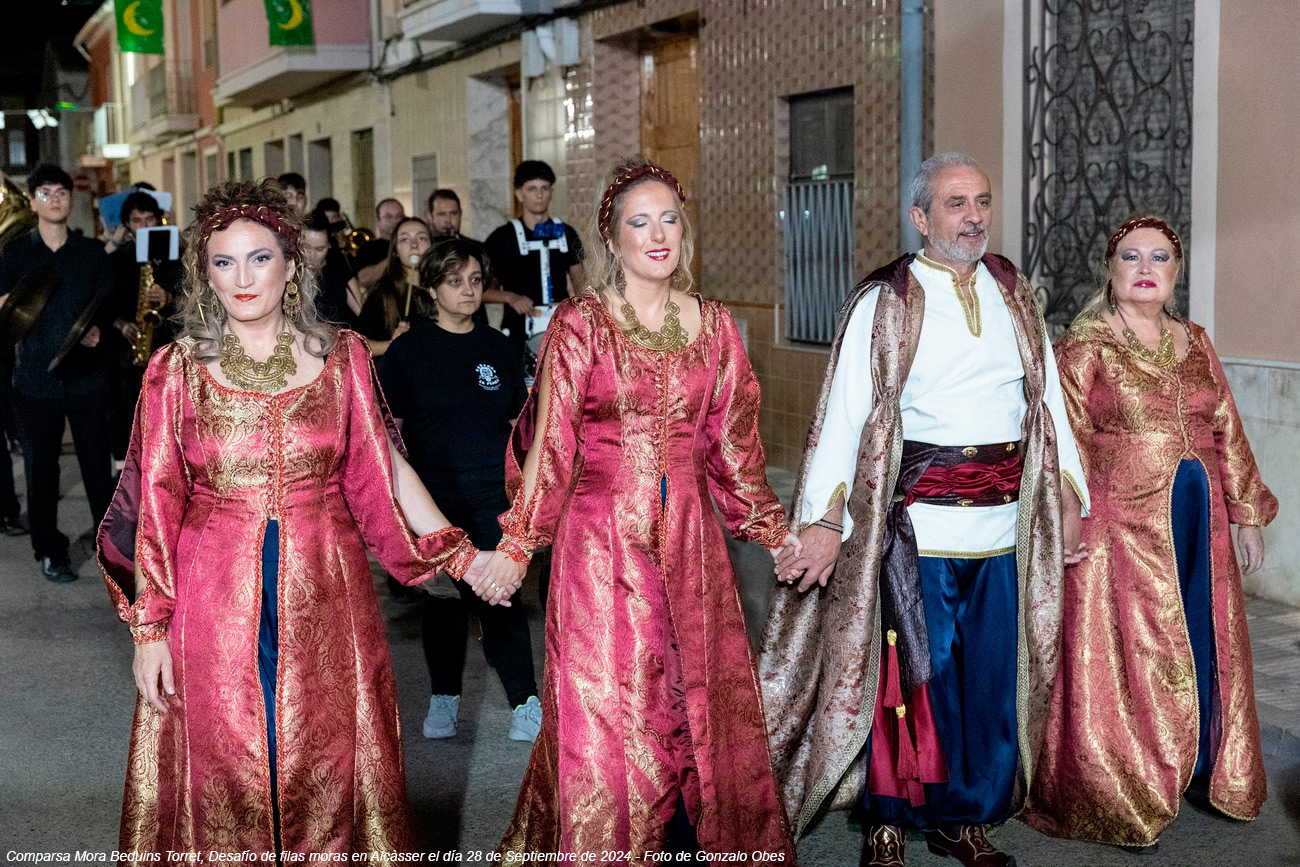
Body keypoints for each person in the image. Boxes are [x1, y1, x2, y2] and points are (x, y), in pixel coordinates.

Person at [94, 179, 498, 854]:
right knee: (227, 763)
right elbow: (157, 502)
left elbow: (383, 471)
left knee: (328, 757)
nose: (242, 278)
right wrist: (149, 628)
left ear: (290, 265)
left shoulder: (342, 357)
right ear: (204, 274)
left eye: (259, 259)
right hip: (212, 598)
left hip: (328, 592)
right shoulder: (176, 370)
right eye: (223, 262)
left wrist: (460, 556)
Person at [761, 152, 1088, 867]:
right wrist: (825, 521)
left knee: (987, 681)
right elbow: (846, 416)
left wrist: (1066, 490)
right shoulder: (887, 300)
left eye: (981, 201)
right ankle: (888, 822)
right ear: (920, 217)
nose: (973, 217)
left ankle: (962, 818)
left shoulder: (1014, 292)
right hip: (917, 530)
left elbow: (1047, 404)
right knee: (912, 679)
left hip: (1003, 530)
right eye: (954, 204)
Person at [480, 158, 800, 859]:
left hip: (691, 539)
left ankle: (688, 841)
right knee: (611, 701)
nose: (658, 235)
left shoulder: (715, 324)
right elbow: (551, 442)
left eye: (669, 220)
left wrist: (773, 532)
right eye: (640, 222)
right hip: (599, 544)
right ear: (612, 238)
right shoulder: (582, 323)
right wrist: (518, 543)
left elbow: (734, 446)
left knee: (692, 692)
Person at [1021, 217, 1278, 849]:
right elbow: (1057, 443)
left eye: (1159, 257)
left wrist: (1245, 513)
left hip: (1200, 525)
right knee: (1133, 652)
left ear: (1175, 272)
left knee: (1202, 636)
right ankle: (1123, 784)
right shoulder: (1084, 346)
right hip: (1120, 534)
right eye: (1131, 256)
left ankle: (1200, 767)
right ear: (1110, 270)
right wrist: (1067, 514)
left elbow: (1226, 427)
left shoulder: (1195, 340)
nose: (1145, 268)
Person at [378, 238, 541, 742]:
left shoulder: (498, 347)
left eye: (475, 281)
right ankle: (444, 698)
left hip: (492, 495)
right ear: (431, 289)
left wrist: (521, 494)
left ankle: (525, 701)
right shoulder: (408, 352)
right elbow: (388, 431)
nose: (468, 291)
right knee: (445, 603)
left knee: (502, 597)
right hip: (436, 500)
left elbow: (517, 423)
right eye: (455, 282)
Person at [0, 164, 116, 583]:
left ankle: (109, 548)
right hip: (35, 381)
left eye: (62, 192)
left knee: (97, 470)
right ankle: (50, 551)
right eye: (45, 193)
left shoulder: (91, 253)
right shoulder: (14, 254)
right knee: (41, 471)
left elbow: (108, 306)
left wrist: (99, 329)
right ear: (32, 203)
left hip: (87, 378)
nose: (55, 199)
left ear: (71, 199)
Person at [107, 190, 181, 466]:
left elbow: (191, 298)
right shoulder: (117, 260)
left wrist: (169, 297)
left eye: (149, 219)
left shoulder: (175, 256)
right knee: (130, 412)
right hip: (130, 350)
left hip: (167, 345)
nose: (144, 226)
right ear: (128, 224)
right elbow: (104, 304)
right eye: (137, 221)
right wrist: (120, 324)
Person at [483, 161, 586, 353]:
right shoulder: (503, 237)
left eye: (544, 188)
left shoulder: (566, 233)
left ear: (552, 192)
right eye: (532, 189)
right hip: (518, 331)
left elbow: (582, 285)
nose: (539, 195)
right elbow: (481, 291)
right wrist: (511, 297)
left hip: (561, 326)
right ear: (519, 194)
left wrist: (577, 310)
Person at [355, 217, 432, 356]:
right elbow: (357, 347)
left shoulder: (445, 289)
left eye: (422, 238)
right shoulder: (382, 293)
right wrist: (392, 344)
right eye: (405, 239)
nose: (414, 245)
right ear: (395, 249)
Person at [303, 210, 362, 328]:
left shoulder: (337, 274)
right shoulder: (288, 271)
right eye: (306, 247)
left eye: (319, 249)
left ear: (329, 245)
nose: (311, 255)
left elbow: (361, 312)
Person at [356, 198, 407, 287]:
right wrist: (396, 254)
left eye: (399, 216)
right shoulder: (368, 248)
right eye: (388, 217)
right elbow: (363, 279)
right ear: (377, 221)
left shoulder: (414, 244)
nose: (395, 221)